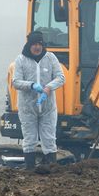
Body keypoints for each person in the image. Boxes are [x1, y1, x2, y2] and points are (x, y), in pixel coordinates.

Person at [12, 31, 66, 172]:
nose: (37, 47)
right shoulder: (21, 60)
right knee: (30, 138)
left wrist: (49, 87)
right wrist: (31, 85)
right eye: (34, 44)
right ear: (29, 45)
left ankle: (51, 166)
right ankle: (30, 167)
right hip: (27, 108)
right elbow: (16, 82)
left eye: (39, 44)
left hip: (47, 107)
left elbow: (60, 77)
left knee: (49, 138)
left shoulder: (50, 58)